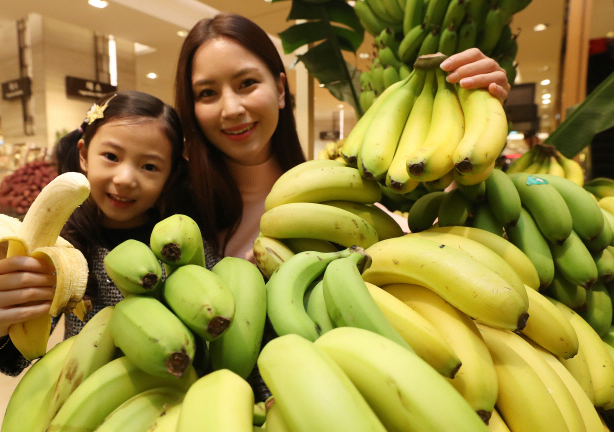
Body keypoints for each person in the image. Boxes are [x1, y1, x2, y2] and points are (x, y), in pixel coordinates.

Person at [174, 13, 512, 261]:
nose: (231, 108)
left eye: (246, 83)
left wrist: (477, 121)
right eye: (207, 93)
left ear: (279, 90)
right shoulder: (171, 204)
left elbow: (418, 247)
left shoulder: (334, 190)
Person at [0, 91, 218, 375]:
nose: (124, 179)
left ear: (170, 174)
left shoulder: (184, 244)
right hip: (87, 397)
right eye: (111, 156)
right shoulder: (61, 246)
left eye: (149, 166)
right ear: (84, 155)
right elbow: (17, 358)